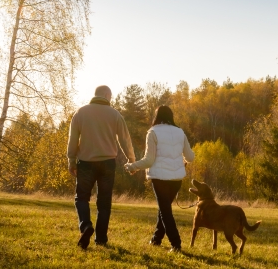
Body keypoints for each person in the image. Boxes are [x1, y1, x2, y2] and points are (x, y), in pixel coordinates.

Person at [67, 85, 136, 249]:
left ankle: (85, 226)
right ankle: (101, 239)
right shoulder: (115, 114)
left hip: (85, 163)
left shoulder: (80, 112)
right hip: (107, 163)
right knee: (104, 202)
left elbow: (73, 138)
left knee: (81, 198)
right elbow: (125, 139)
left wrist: (71, 159)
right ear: (106, 95)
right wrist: (131, 159)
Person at [125, 105, 194, 252]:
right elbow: (190, 157)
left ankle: (176, 244)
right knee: (164, 209)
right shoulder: (180, 132)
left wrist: (132, 166)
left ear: (157, 116)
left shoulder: (153, 132)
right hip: (176, 180)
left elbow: (149, 160)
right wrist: (181, 160)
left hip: (160, 178)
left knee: (165, 211)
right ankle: (156, 239)